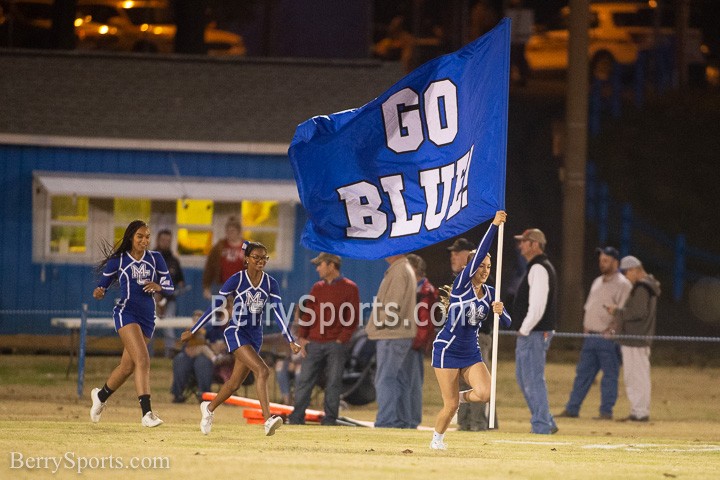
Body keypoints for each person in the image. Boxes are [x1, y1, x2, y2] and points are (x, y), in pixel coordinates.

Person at [181, 241, 305, 437]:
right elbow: (215, 306)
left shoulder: (270, 283)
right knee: (262, 370)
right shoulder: (237, 280)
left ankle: (209, 408)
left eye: (264, 258)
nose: (260, 261)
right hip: (236, 332)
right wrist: (194, 329)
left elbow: (280, 313)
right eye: (256, 257)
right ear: (246, 259)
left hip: (255, 336)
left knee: (234, 383)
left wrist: (290, 339)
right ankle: (268, 419)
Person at [430, 211, 511, 450]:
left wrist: (500, 310)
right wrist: (494, 226)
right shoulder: (462, 285)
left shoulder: (491, 292)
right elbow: (479, 254)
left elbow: (505, 322)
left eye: (488, 266)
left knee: (485, 394)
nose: (485, 270)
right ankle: (437, 439)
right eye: (481, 266)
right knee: (449, 406)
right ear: (472, 267)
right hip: (447, 349)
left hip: (470, 352)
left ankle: (460, 396)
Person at [90, 219, 174, 428]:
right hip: (126, 314)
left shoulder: (155, 258)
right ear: (130, 237)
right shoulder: (119, 260)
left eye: (147, 237)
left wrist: (158, 286)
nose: (144, 240)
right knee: (143, 360)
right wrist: (99, 293)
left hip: (147, 318)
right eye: (140, 236)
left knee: (127, 366)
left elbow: (169, 286)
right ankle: (147, 414)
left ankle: (100, 396)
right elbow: (101, 288)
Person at [557, 246, 632, 420]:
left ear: (615, 262)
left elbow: (622, 311)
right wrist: (586, 324)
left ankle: (606, 412)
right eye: (601, 261)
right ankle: (572, 409)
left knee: (609, 377)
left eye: (606, 261)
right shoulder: (597, 281)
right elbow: (589, 306)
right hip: (590, 337)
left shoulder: (623, 284)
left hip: (608, 339)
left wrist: (612, 331)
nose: (602, 264)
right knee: (582, 374)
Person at [288, 252, 360, 426]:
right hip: (314, 343)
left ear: (331, 266)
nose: (318, 268)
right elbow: (308, 315)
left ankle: (329, 420)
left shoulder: (350, 288)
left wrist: (340, 340)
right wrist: (303, 338)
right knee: (304, 381)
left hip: (335, 344)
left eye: (320, 265)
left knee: (333, 382)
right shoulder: (317, 288)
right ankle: (297, 418)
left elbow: (353, 318)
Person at [512, 228, 559, 434]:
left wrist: (524, 329)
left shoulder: (539, 268)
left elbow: (537, 306)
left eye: (524, 241)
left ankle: (541, 425)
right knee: (526, 379)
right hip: (534, 332)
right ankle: (546, 421)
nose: (520, 245)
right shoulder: (537, 267)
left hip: (534, 333)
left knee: (532, 380)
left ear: (534, 244)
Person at [365, 252, 417, 429]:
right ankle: (403, 421)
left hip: (391, 334)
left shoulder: (398, 271)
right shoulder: (404, 268)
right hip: (401, 334)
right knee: (400, 380)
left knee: (385, 379)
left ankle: (386, 421)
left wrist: (377, 324)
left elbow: (393, 306)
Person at [606, 255, 661, 422]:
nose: (626, 277)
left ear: (635, 270)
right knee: (639, 376)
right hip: (638, 337)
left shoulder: (642, 288)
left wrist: (617, 311)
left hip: (635, 338)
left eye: (626, 273)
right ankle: (638, 411)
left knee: (635, 377)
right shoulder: (648, 286)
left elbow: (637, 312)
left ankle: (640, 413)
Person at [447, 237, 494, 431]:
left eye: (457, 254)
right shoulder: (459, 280)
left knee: (478, 383)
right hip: (459, 340)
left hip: (478, 338)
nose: (453, 257)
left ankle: (477, 424)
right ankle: (464, 423)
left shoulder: (482, 281)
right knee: (460, 382)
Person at [406, 254, 439, 429]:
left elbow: (425, 323)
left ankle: (412, 421)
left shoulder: (425, 291)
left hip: (413, 344)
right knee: (405, 383)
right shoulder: (415, 288)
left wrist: (416, 343)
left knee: (412, 384)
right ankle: (405, 419)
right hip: (407, 342)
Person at [170, 310, 227, 403]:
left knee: (202, 362)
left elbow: (216, 345)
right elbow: (184, 345)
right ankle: (177, 394)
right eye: (195, 319)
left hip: (205, 356)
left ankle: (204, 395)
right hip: (188, 354)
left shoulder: (211, 329)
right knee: (180, 360)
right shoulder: (189, 330)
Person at [149, 229, 185, 358]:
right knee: (149, 326)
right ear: (158, 240)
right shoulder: (150, 258)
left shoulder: (174, 260)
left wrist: (180, 287)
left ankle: (169, 354)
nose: (166, 243)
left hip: (169, 300)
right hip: (151, 299)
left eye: (168, 241)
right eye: (163, 240)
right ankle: (147, 354)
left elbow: (180, 280)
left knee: (169, 325)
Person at [202, 216, 246, 300]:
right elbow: (209, 267)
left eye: (232, 231)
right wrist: (206, 287)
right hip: (221, 286)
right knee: (219, 311)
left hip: (241, 287)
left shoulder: (247, 248)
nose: (230, 233)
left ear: (238, 232)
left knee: (240, 312)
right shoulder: (219, 246)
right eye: (228, 231)